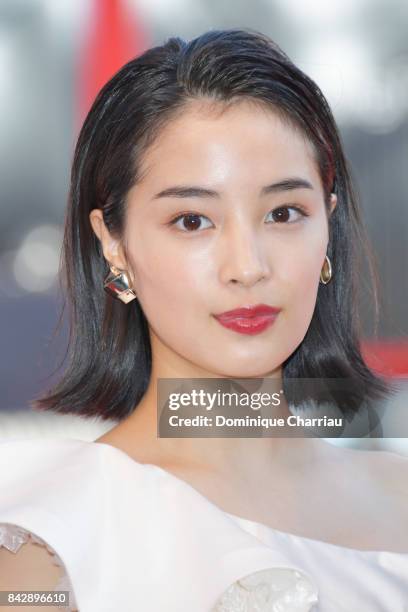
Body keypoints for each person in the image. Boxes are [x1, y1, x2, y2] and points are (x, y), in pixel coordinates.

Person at [1, 28, 407, 612]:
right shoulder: (48, 550)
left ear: (328, 226)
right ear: (113, 245)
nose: (248, 266)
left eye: (284, 212)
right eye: (193, 221)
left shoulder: (400, 500)